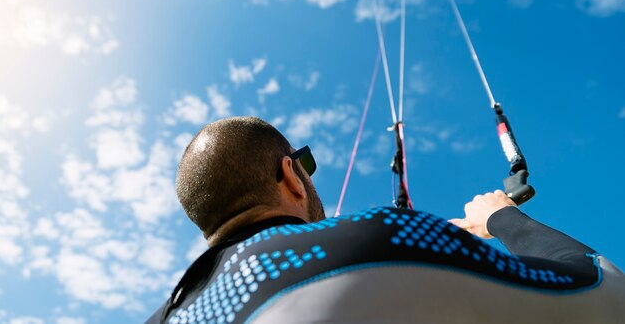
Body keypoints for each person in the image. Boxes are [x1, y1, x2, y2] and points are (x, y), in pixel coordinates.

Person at [146, 116, 625, 324]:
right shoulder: (390, 237)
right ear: (290, 174)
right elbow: (607, 297)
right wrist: (501, 219)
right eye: (304, 165)